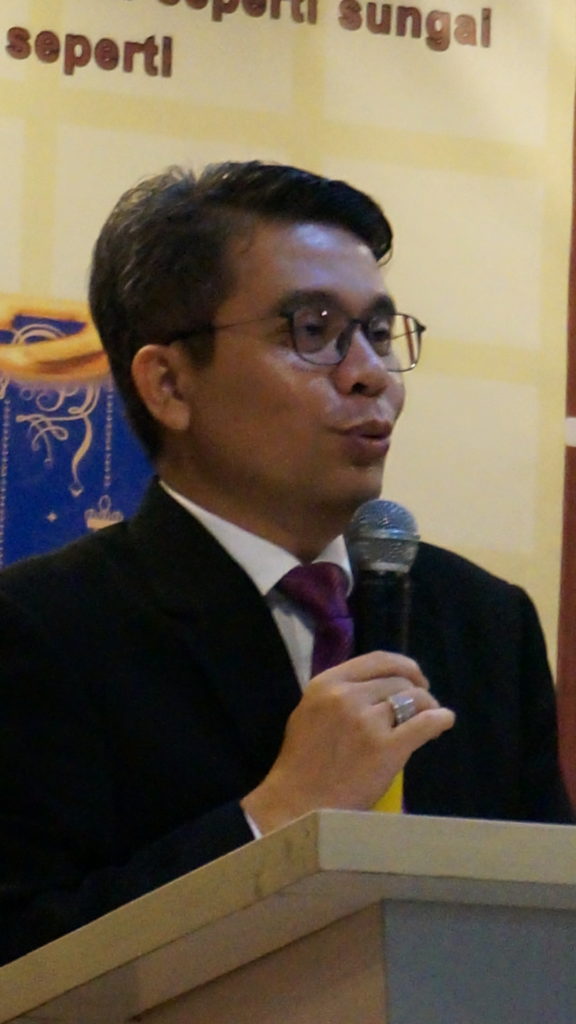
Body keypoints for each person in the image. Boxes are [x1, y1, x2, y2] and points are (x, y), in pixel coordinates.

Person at [0, 162, 570, 967]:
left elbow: (547, 929)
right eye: (312, 330)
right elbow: (23, 956)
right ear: (169, 384)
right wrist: (278, 814)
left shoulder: (485, 621)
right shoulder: (43, 630)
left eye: (379, 333)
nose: (370, 374)